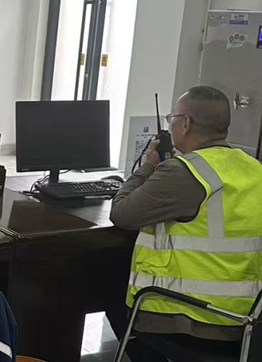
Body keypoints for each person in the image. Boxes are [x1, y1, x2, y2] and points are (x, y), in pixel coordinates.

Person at [108, 86, 262, 361]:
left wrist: (148, 166)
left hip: (193, 318)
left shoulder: (184, 171)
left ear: (186, 123)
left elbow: (122, 213)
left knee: (106, 288)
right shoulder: (253, 168)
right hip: (246, 320)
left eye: (173, 118)